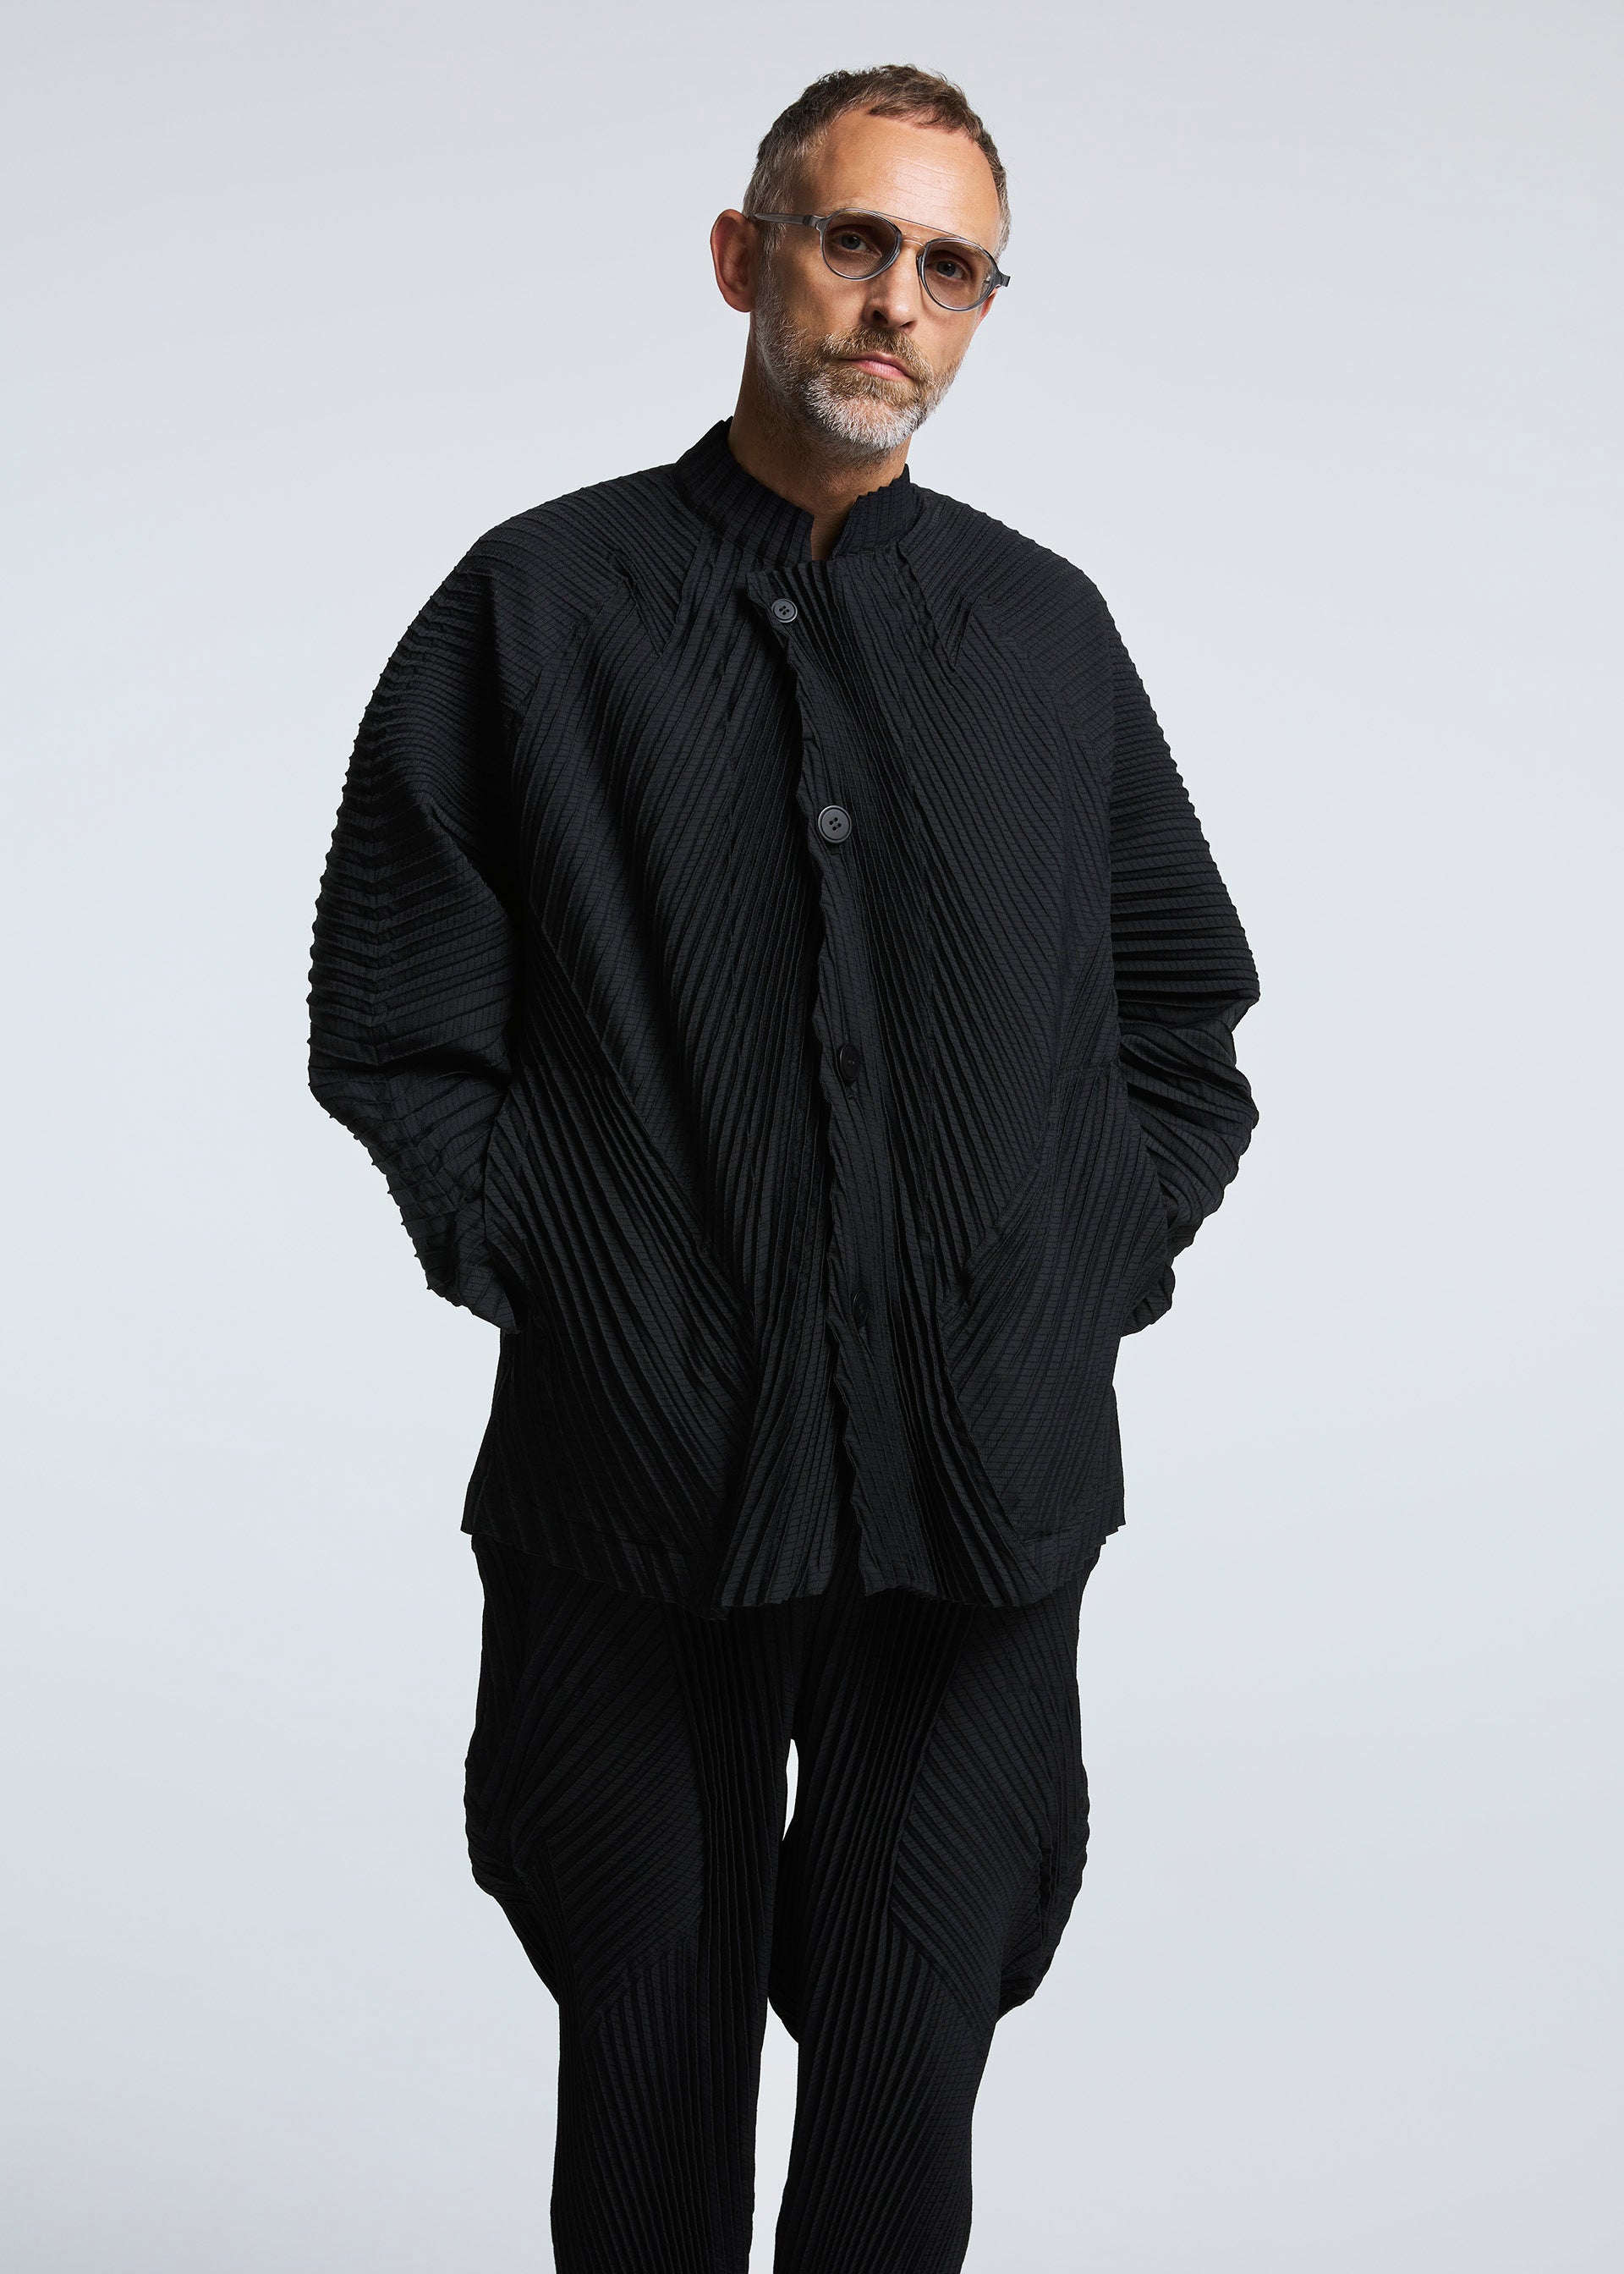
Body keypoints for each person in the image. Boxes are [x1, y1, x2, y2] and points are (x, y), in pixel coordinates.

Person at [307, 62, 1260, 2274]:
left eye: (953, 267)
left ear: (982, 309)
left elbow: (1179, 1014)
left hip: (980, 1494)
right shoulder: (539, 606)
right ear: (747, 258)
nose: (896, 301)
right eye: (855, 241)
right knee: (647, 2063)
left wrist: (1073, 1272)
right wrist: (564, 1263)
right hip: (637, 1491)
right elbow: (397, 1006)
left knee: (905, 2062)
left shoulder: (1045, 634)